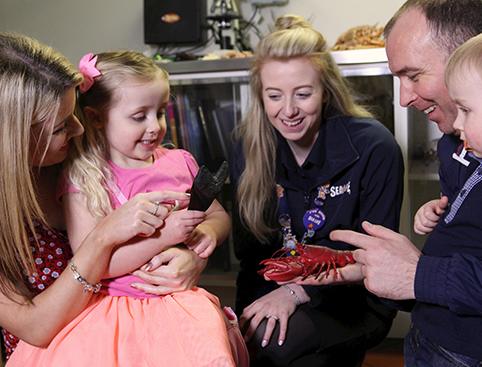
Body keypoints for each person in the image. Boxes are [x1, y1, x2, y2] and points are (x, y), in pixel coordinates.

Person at [6, 50, 247, 367]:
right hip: (88, 326)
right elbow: (37, 325)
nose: (79, 130)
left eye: (160, 112)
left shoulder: (83, 156)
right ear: (18, 137)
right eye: (62, 125)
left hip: (167, 306)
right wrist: (127, 236)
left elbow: (213, 218)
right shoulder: (84, 177)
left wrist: (195, 251)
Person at [229, 14, 404, 367]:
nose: (288, 111)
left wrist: (297, 291)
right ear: (260, 96)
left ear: (326, 91)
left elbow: (378, 257)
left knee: (279, 349)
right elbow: (249, 255)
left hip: (351, 293)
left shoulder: (374, 147)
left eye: (303, 94)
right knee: (241, 346)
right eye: (274, 95)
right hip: (271, 283)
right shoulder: (246, 147)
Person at [314, 1, 482, 366]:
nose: (404, 98)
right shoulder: (455, 146)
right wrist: (379, 270)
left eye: (414, 75)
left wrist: (418, 273)